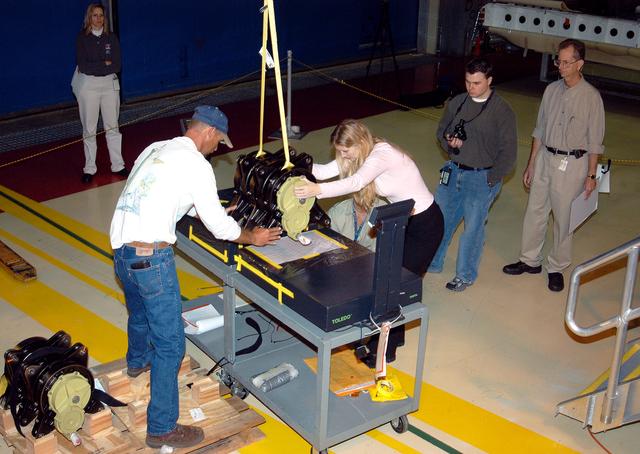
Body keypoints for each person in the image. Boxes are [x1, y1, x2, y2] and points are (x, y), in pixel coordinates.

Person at [110, 105, 281, 448]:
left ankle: (137, 363)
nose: (217, 148)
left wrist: (215, 208)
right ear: (208, 133)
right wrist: (252, 236)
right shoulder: (198, 165)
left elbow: (158, 193)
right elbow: (221, 229)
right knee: (172, 346)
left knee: (140, 313)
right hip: (152, 258)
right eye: (219, 141)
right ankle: (161, 428)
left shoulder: (155, 148)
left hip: (121, 250)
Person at [294, 119, 444, 364]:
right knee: (388, 279)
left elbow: (355, 182)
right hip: (402, 219)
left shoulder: (381, 154)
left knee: (392, 286)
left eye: (345, 151)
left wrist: (317, 191)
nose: (343, 156)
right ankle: (395, 336)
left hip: (425, 225)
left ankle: (384, 350)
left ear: (360, 142)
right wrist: (295, 167)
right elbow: (324, 171)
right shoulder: (360, 154)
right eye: (339, 151)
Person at [503, 39, 605, 292]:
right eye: (558, 60)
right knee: (535, 211)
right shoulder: (551, 91)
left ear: (580, 64)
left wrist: (591, 175)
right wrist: (531, 163)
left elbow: (595, 142)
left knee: (563, 218)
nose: (560, 66)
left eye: (566, 62)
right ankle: (530, 260)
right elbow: (539, 129)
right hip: (546, 159)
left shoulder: (591, 97)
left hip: (573, 164)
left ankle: (557, 267)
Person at [430, 58, 517, 292]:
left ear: (489, 80)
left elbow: (509, 152)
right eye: (468, 82)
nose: (471, 88)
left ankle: (465, 275)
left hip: (481, 178)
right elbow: (441, 132)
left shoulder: (502, 110)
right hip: (454, 172)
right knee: (441, 221)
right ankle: (433, 261)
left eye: (477, 83)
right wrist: (450, 144)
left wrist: (491, 179)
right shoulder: (458, 102)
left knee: (473, 230)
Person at [74, 3, 126, 184]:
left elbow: (117, 65)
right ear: (89, 18)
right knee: (89, 129)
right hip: (88, 87)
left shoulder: (111, 38)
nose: (98, 19)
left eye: (101, 15)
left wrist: (102, 66)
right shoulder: (82, 39)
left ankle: (118, 165)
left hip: (109, 85)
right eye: (95, 15)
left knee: (113, 127)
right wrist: (104, 64)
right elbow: (83, 66)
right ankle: (90, 168)